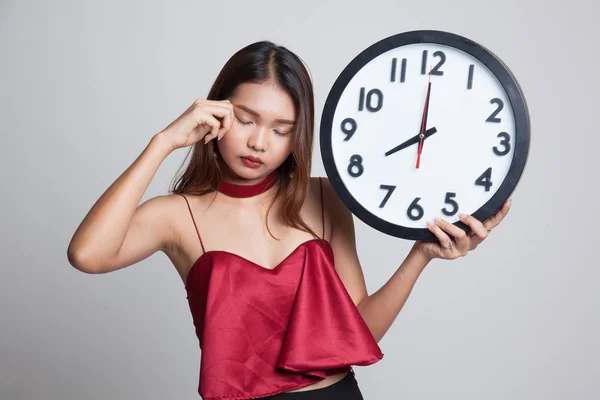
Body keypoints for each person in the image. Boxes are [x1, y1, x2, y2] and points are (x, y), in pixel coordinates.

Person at [67, 41, 511, 399]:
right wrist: (163, 142)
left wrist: (421, 256)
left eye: (282, 130)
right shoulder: (176, 215)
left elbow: (359, 330)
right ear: (216, 112)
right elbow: (87, 255)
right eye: (245, 119)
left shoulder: (323, 197)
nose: (259, 142)